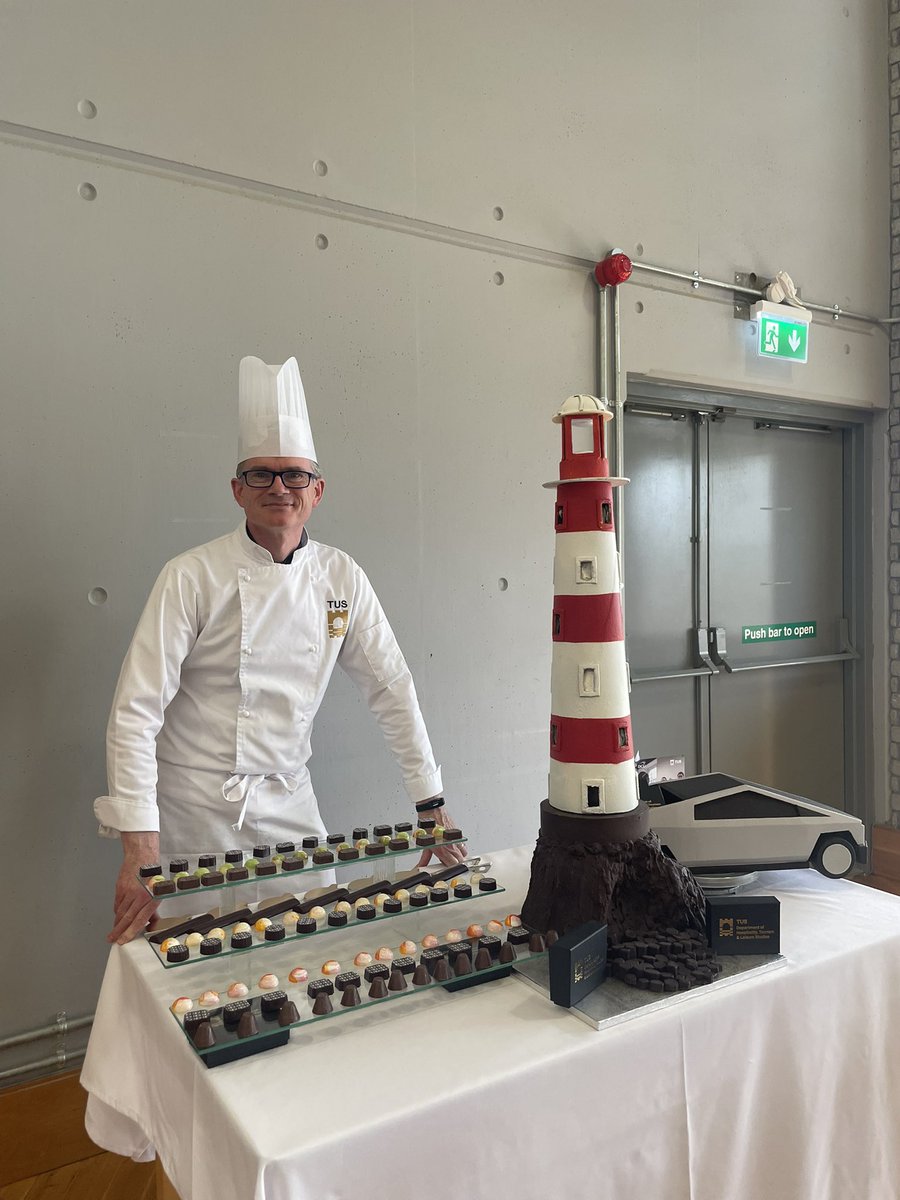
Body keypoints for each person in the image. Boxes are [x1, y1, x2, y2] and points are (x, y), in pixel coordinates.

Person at [95, 355, 463, 944]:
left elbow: (392, 688)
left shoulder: (342, 578)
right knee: (192, 965)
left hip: (290, 803)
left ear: (317, 490)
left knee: (314, 942)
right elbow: (136, 713)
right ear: (237, 490)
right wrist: (140, 846)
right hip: (194, 810)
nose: (279, 488)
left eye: (294, 475)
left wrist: (430, 803)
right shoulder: (191, 576)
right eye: (261, 475)